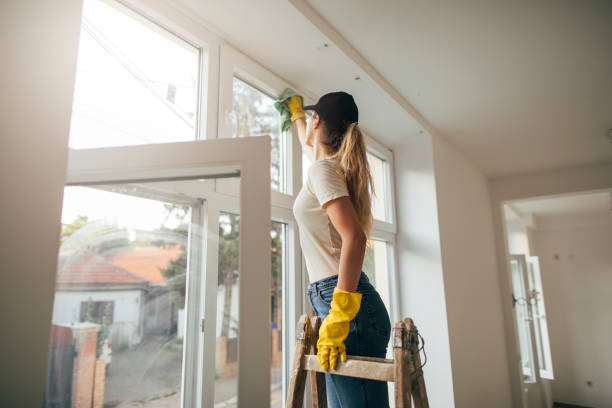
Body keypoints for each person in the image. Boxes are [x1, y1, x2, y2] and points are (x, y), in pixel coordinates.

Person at [286, 91, 392, 408]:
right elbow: (311, 145)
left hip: (346, 305)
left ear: (317, 121)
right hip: (348, 303)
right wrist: (295, 117)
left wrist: (340, 314)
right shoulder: (326, 169)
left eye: (308, 119)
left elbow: (355, 238)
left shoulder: (323, 171)